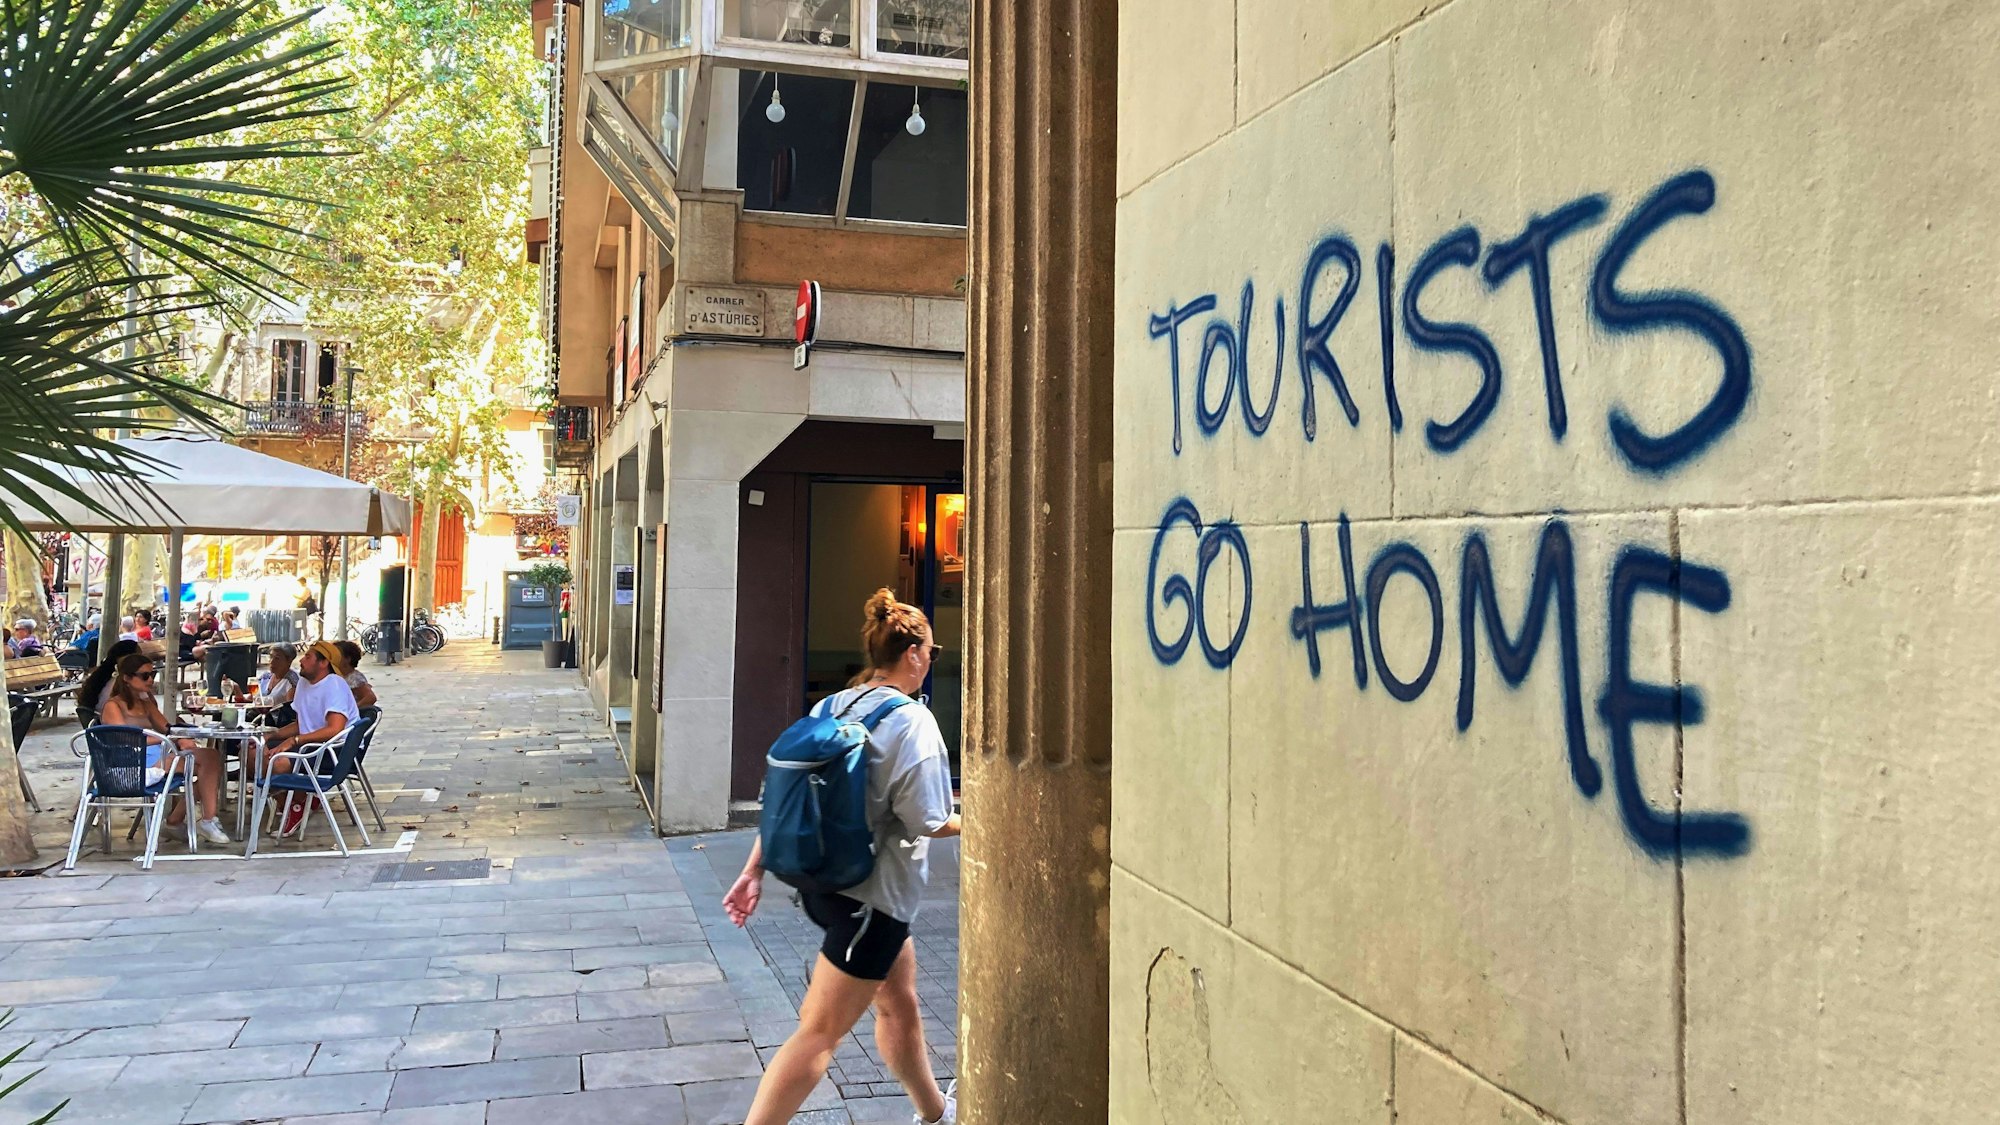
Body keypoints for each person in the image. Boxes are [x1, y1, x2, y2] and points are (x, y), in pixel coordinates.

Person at [724, 588, 959, 1125]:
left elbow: (787, 797)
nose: (931, 661)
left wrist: (752, 869)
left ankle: (935, 1112)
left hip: (827, 888)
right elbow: (929, 818)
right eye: (933, 652)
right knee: (819, 1032)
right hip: (870, 904)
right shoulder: (913, 723)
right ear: (915, 654)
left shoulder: (832, 706)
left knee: (898, 999)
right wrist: (984, 821)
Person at [99, 653, 230, 845]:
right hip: (130, 764)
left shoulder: (145, 702)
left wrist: (180, 738)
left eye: (153, 674)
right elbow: (127, 740)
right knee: (207, 764)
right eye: (144, 676)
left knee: (210, 758)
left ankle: (198, 820)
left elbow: (167, 728)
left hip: (155, 755)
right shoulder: (114, 706)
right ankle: (198, 821)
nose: (151, 679)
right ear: (126, 678)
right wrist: (172, 741)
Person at [254, 641, 359, 837]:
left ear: (323, 663)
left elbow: (334, 729)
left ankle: (296, 805)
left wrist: (294, 741)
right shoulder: (303, 683)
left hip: (333, 750)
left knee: (276, 763)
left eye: (308, 657)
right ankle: (297, 801)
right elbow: (301, 723)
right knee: (252, 751)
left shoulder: (334, 685)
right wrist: (273, 735)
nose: (301, 660)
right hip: (309, 745)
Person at [77, 639, 142, 717]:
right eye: (139, 658)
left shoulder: (101, 677)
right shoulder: (124, 683)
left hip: (99, 723)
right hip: (114, 724)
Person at [332, 640, 378, 710]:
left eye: (336, 656)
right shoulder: (337, 675)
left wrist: (352, 709)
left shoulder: (354, 677)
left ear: (347, 659)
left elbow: (370, 697)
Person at [256, 644, 300, 709]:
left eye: (277, 658)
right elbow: (253, 698)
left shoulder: (291, 681)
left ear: (289, 661)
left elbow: (290, 711)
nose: (271, 661)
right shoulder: (266, 676)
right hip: (255, 714)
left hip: (273, 718)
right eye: (271, 657)